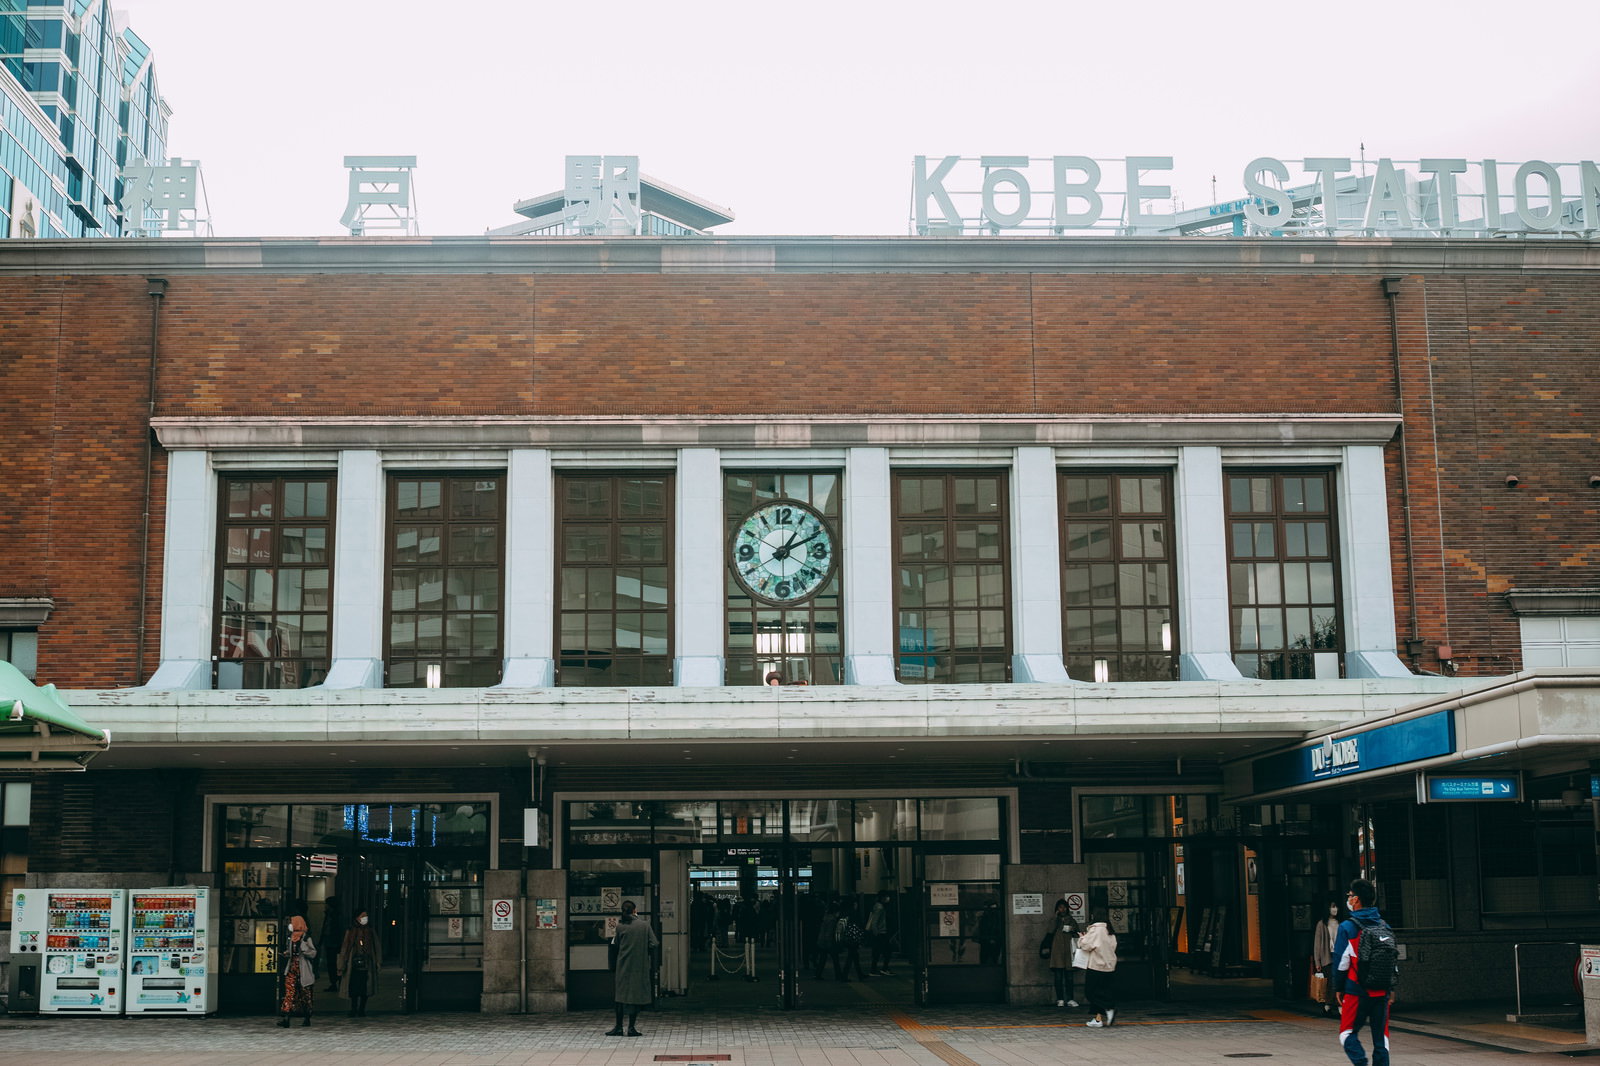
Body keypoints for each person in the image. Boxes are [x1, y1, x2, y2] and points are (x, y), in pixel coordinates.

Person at [1335, 879, 1392, 1066]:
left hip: (1356, 989)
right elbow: (1392, 957)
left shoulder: (1347, 927)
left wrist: (1338, 987)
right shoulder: (1384, 925)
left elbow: (1342, 963)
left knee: (1347, 1032)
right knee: (1381, 1037)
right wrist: (1390, 987)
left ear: (1356, 899)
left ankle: (1361, 1063)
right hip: (1382, 990)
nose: (1348, 899)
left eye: (1350, 896)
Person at [606, 899, 658, 1037]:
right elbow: (654, 943)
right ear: (635, 910)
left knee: (620, 996)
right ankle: (631, 1027)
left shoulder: (620, 927)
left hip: (622, 965)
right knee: (635, 997)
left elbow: (615, 944)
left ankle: (618, 1027)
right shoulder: (645, 925)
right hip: (639, 966)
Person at [339, 908, 381, 1017]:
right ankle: (353, 1008)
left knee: (364, 987)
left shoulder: (370, 930)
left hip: (367, 963)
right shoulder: (351, 931)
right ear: (357, 918)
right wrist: (342, 964)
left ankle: (362, 1008)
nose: (365, 919)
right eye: (362, 916)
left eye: (366, 916)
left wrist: (377, 961)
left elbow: (376, 946)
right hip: (353, 963)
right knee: (353, 988)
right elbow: (345, 947)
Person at [1079, 910, 1118, 1028]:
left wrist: (1081, 938)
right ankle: (1097, 1020)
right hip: (1109, 966)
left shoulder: (1095, 929)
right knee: (1103, 991)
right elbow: (1114, 945)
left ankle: (1109, 1007)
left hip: (1096, 965)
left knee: (1090, 992)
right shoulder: (1109, 929)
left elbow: (1086, 945)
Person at [276, 914, 317, 1028]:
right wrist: (286, 954)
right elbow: (291, 952)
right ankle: (286, 1018)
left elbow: (313, 953)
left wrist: (303, 949)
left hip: (304, 970)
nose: (290, 925)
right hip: (291, 969)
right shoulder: (291, 937)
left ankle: (307, 1017)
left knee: (305, 995)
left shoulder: (306, 938)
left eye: (292, 923)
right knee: (289, 993)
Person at [1039, 898, 1079, 1007]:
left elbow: (1077, 931)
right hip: (1057, 950)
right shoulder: (1054, 920)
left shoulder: (1071, 919)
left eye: (1064, 907)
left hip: (1068, 950)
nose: (1063, 909)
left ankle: (1070, 999)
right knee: (1058, 976)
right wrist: (1055, 918)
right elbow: (1050, 930)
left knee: (1069, 977)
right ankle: (1060, 998)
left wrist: (1072, 929)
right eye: (1060, 907)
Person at [1313, 896, 1343, 1017]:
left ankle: (1328, 1006)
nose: (1334, 909)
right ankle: (1336, 1006)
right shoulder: (1321, 924)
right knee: (1331, 982)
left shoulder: (1341, 923)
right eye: (1332, 906)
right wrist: (1317, 961)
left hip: (1339, 955)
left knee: (1338, 981)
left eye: (1336, 906)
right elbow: (1317, 943)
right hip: (1327, 956)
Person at [867, 890, 894, 976]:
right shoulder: (880, 907)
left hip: (879, 933)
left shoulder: (877, 906)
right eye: (886, 897)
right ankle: (881, 969)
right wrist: (876, 933)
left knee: (878, 952)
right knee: (886, 951)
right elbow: (875, 922)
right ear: (883, 898)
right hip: (881, 933)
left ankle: (877, 969)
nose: (888, 898)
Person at [319, 896, 342, 992]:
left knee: (333, 963)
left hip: (333, 943)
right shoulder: (330, 915)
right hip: (331, 942)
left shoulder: (334, 916)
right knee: (333, 963)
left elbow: (331, 929)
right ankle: (335, 982)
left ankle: (335, 982)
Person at [814, 898, 840, 978]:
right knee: (835, 959)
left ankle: (818, 974)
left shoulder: (826, 917)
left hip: (822, 941)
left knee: (822, 959)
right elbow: (828, 933)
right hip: (827, 942)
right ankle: (838, 975)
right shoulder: (832, 920)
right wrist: (829, 944)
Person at [977, 900, 1003, 966]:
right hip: (991, 940)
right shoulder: (996, 914)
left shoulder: (988, 915)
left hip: (989, 939)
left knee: (986, 958)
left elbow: (990, 927)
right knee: (993, 957)